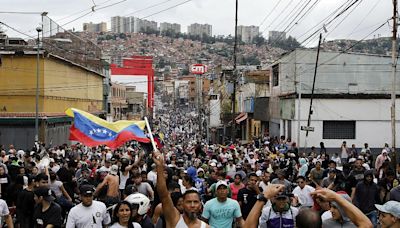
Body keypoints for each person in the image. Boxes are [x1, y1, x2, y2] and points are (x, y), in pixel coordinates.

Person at [152, 150, 208, 228]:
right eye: (188, 202)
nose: (192, 205)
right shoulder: (174, 219)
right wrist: (159, 167)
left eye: (195, 202)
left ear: (200, 205)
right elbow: (163, 195)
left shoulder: (205, 227)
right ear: (183, 204)